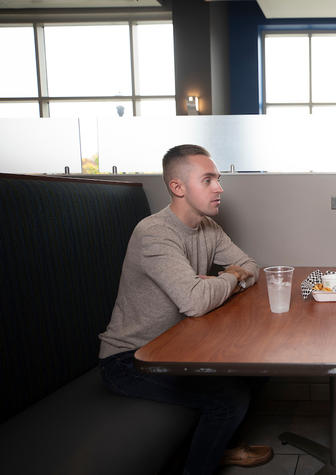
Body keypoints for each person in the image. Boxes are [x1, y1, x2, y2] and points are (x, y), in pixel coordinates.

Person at [98, 144, 272, 474]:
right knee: (229, 399)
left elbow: (252, 267)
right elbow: (194, 302)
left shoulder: (209, 228)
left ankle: (217, 446)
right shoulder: (154, 233)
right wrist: (229, 279)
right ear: (177, 187)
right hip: (132, 359)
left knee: (260, 368)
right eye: (208, 180)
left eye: (217, 179)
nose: (220, 188)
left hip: (181, 348)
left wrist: (222, 280)